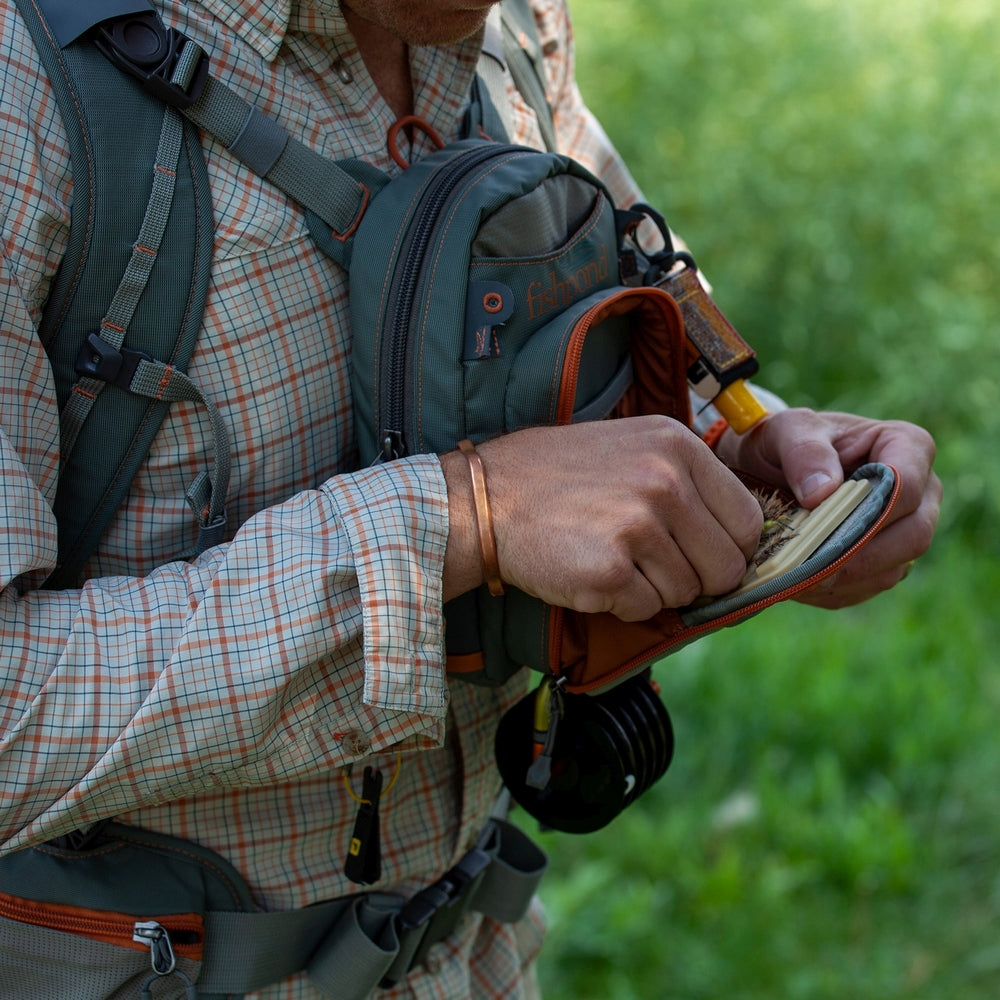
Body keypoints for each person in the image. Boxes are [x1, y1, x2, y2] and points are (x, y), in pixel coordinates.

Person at [0, 0, 940, 996]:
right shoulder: (29, 83)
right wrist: (460, 520)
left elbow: (614, 276)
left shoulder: (513, 25)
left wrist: (740, 456)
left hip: (480, 956)